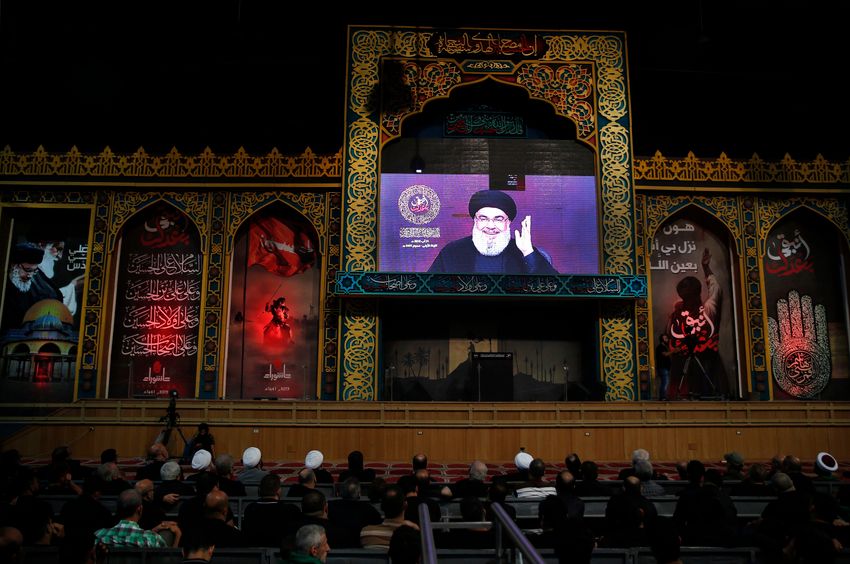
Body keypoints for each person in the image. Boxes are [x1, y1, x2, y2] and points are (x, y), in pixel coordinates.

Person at [428, 189, 557, 274]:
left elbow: (555, 287)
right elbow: (430, 289)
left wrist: (527, 251)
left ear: (508, 222)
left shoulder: (523, 251)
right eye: (483, 218)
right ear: (475, 221)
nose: (490, 226)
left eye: (498, 219)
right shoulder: (453, 251)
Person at [667, 248, 726, 399]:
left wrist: (706, 268)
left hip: (709, 363)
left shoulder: (708, 311)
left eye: (690, 297)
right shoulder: (678, 316)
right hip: (685, 366)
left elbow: (715, 289)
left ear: (698, 293)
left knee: (708, 393)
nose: (688, 301)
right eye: (685, 298)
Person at [2, 243, 82, 329]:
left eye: (34, 271)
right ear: (14, 265)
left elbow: (52, 296)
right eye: (27, 270)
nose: (30, 275)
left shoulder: (37, 278)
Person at [655, 333, 672, 400]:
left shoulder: (665, 347)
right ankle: (663, 397)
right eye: (665, 338)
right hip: (662, 368)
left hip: (665, 368)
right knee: (665, 382)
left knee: (665, 382)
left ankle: (663, 396)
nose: (667, 340)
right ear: (662, 339)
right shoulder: (660, 347)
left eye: (667, 338)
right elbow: (665, 354)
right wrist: (673, 351)